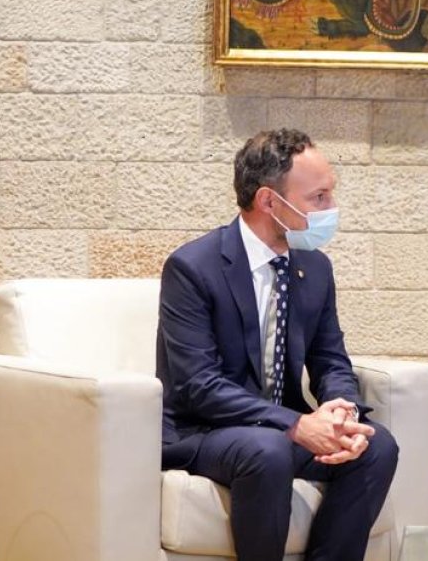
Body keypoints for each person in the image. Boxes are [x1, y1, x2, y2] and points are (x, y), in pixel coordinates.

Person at [157, 129, 398, 561]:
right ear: (270, 201)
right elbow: (198, 386)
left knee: (376, 444)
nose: (332, 209)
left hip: (280, 429)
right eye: (319, 197)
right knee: (267, 450)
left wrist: (341, 411)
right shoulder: (192, 267)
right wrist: (295, 424)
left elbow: (330, 359)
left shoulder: (314, 268)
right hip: (205, 430)